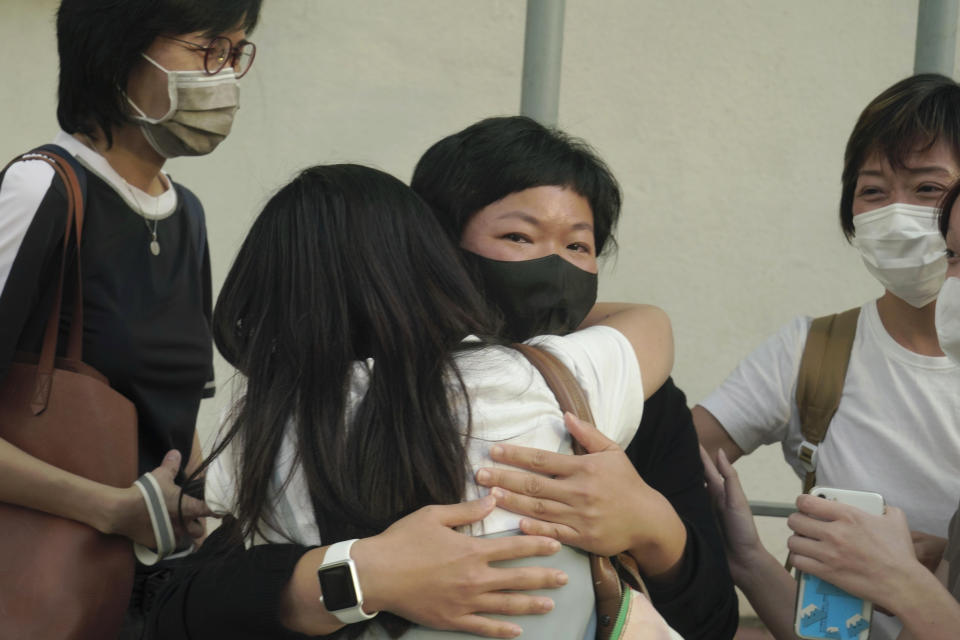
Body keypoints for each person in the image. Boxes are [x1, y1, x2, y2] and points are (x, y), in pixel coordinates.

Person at [149, 116, 738, 640]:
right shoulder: (580, 377)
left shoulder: (644, 400)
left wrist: (653, 527)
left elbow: (712, 619)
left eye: (579, 246)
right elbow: (194, 604)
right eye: (518, 236)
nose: (554, 267)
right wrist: (363, 575)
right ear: (434, 246)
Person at [0, 0, 261, 635]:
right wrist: (113, 509)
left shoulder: (187, 214)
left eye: (235, 53)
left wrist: (203, 511)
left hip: (148, 588)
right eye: (206, 49)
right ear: (119, 53)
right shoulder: (44, 188)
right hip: (42, 579)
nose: (222, 75)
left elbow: (175, 416)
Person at [694, 74, 960, 639]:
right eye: (873, 191)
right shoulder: (813, 351)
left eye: (929, 189)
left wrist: (908, 578)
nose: (896, 213)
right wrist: (746, 559)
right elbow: (682, 451)